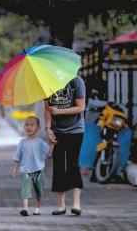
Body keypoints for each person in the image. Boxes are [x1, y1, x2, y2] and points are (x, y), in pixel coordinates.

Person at [44, 75, 86, 216]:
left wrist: (60, 111)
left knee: (73, 164)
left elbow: (81, 107)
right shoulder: (47, 82)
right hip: (57, 131)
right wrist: (48, 128)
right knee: (59, 165)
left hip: (75, 130)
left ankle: (76, 204)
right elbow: (47, 109)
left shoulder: (76, 81)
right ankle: (61, 205)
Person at [12, 116, 52, 216]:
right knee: (25, 188)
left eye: (32, 125)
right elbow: (17, 157)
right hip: (25, 170)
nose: (28, 127)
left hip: (38, 170)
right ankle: (25, 208)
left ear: (38, 128)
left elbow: (49, 152)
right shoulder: (22, 143)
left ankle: (38, 208)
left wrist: (52, 143)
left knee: (39, 190)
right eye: (26, 125)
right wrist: (15, 169)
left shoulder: (40, 143)